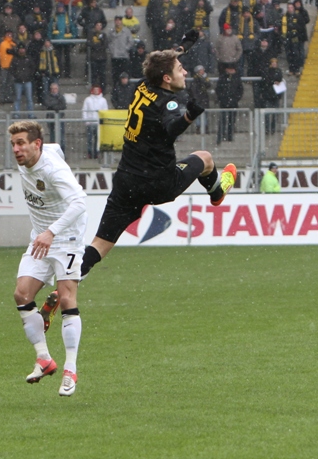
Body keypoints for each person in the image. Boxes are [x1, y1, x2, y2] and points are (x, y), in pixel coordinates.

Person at [78, 32, 237, 278]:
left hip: (127, 181)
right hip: (159, 183)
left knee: (101, 242)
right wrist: (189, 116)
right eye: (180, 69)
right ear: (166, 78)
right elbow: (172, 128)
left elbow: (163, 62)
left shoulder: (143, 85)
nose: (185, 72)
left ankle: (69, 281)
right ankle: (217, 193)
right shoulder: (168, 102)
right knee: (205, 158)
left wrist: (183, 47)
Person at [8, 120, 87, 397]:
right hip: (40, 238)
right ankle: (44, 359)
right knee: (21, 294)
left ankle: (70, 369)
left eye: (21, 143)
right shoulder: (38, 154)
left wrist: (51, 232)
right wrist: (44, 234)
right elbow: (56, 148)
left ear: (36, 144)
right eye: (13, 144)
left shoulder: (53, 170)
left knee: (66, 299)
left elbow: (80, 202)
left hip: (66, 238)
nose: (16, 149)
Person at [82, 85, 108, 159]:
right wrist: (86, 120)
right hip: (90, 122)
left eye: (97, 89)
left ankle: (96, 153)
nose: (96, 91)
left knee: (97, 139)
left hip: (98, 123)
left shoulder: (103, 100)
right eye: (95, 89)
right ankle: (89, 153)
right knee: (89, 139)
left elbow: (105, 111)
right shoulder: (88, 99)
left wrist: (102, 121)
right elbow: (84, 110)